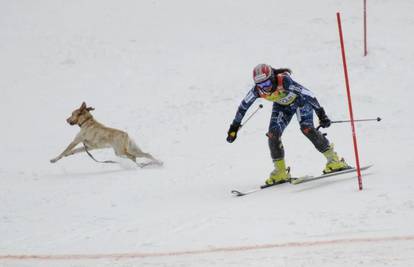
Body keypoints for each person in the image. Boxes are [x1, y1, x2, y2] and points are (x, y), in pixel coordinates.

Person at [226, 63, 349, 185]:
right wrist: (234, 127)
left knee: (307, 129)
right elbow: (243, 107)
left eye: (267, 83)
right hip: (282, 107)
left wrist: (321, 114)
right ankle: (280, 172)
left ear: (272, 78)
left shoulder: (284, 81)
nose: (265, 87)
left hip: (300, 102)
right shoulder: (257, 90)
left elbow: (308, 94)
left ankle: (334, 161)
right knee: (273, 135)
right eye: (261, 85)